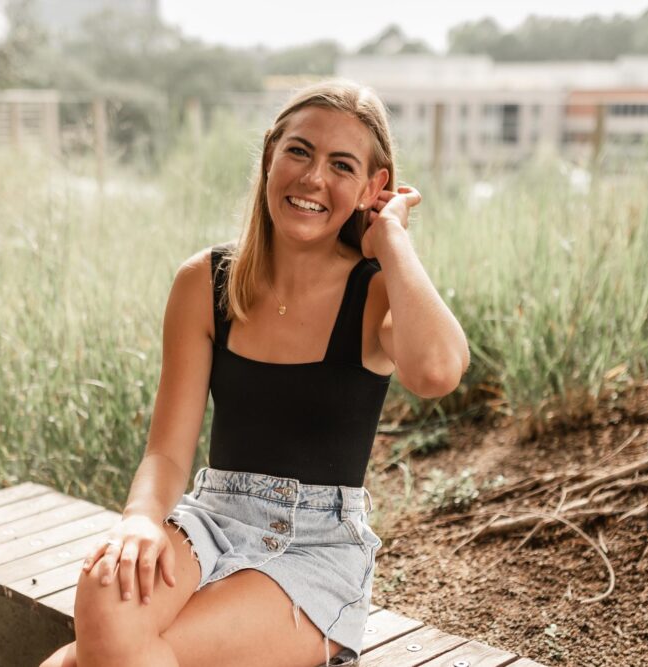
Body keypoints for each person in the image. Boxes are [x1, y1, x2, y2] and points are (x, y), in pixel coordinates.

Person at [40, 79, 469, 667]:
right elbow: (167, 453)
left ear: (375, 187)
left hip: (315, 548)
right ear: (270, 155)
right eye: (299, 151)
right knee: (105, 592)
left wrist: (391, 238)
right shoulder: (205, 282)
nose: (313, 178)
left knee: (101, 658)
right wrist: (140, 521)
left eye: (341, 165)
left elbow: (439, 370)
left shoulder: (373, 297)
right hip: (211, 518)